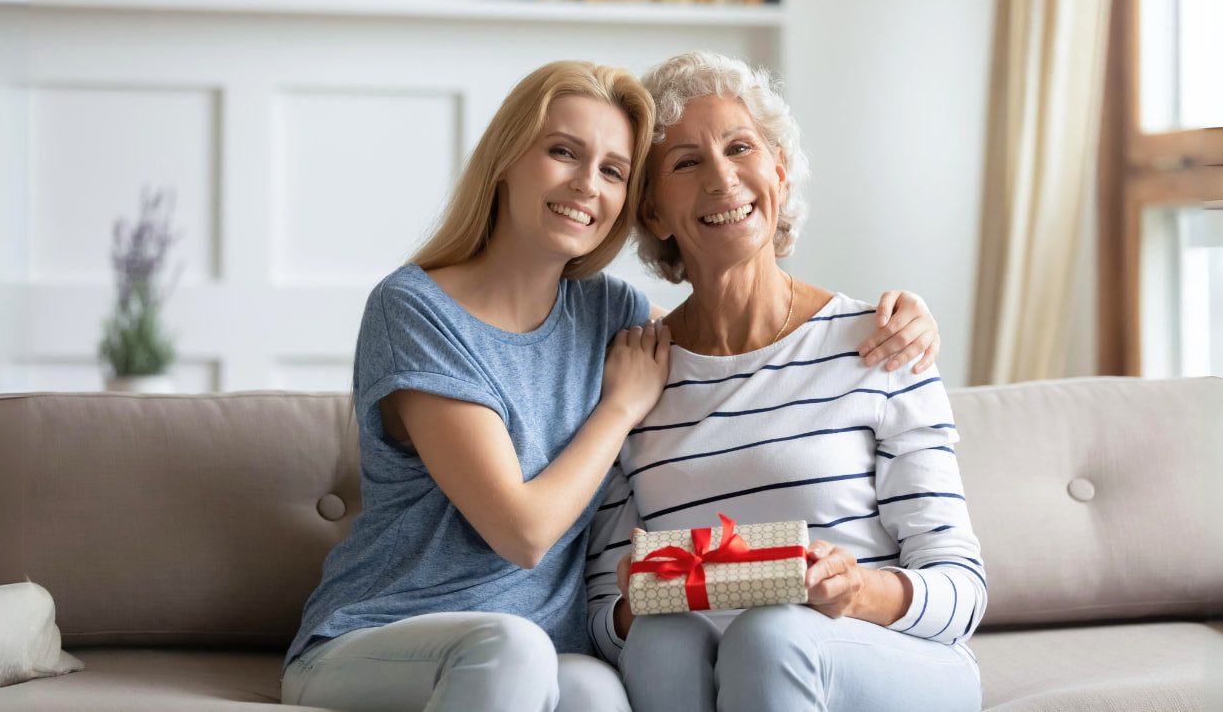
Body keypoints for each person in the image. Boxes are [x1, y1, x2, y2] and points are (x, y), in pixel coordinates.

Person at [282, 59, 947, 712]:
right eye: (563, 152)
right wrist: (621, 407)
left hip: (545, 649)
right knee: (512, 650)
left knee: (600, 692)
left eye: (612, 171)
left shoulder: (611, 316)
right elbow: (524, 533)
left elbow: (729, 339)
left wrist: (903, 320)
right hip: (389, 636)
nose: (585, 186)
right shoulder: (416, 309)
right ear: (506, 161)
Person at [585, 51, 986, 712]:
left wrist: (858, 590)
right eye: (686, 162)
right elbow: (604, 615)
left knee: (770, 636)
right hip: (708, 672)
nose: (722, 178)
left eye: (740, 147)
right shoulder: (636, 373)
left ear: (776, 169)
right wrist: (635, 601)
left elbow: (962, 590)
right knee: (658, 641)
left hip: (882, 657)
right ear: (653, 211)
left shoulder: (880, 340)